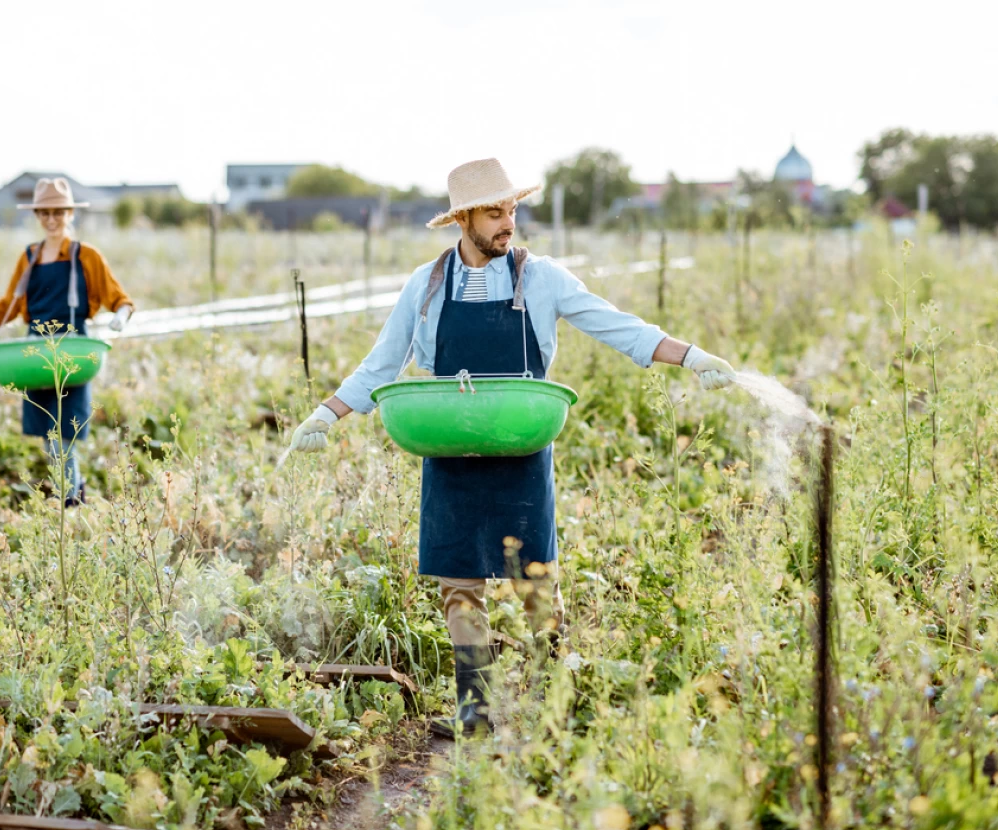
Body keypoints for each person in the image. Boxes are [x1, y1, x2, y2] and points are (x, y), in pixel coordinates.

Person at [288, 158, 735, 736]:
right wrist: (325, 414)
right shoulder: (426, 287)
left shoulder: (540, 276)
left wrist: (691, 355)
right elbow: (381, 366)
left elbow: (614, 325)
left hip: (521, 446)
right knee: (458, 586)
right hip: (449, 448)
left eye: (512, 211)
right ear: (463, 219)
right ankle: (474, 710)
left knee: (537, 582)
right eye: (495, 213)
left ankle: (556, 703)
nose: (508, 224)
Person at [0, 177, 135, 506]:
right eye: (44, 213)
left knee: (63, 441)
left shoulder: (86, 256)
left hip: (71, 354)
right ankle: (74, 505)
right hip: (34, 356)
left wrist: (120, 316)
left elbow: (119, 298)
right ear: (37, 215)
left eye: (58, 212)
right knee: (48, 440)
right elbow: (10, 303)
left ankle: (71, 507)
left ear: (70, 213)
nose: (51, 219)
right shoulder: (29, 257)